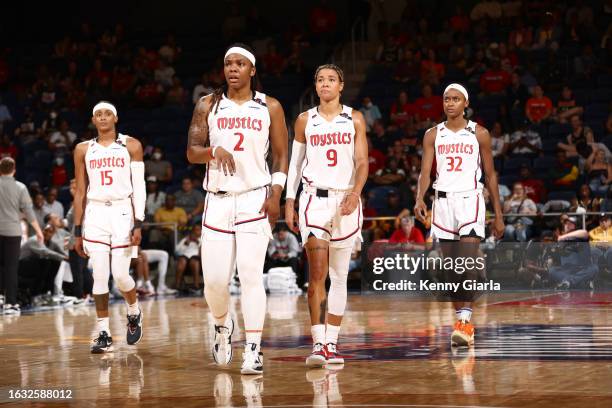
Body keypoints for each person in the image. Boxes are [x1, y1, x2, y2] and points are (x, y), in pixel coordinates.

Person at [187, 43, 288, 374]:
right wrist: (214, 150)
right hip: (217, 199)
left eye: (239, 64)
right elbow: (192, 151)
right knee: (214, 283)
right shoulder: (207, 105)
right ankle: (221, 324)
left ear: (252, 70)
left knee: (250, 276)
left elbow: (281, 156)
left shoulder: (269, 106)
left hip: (254, 197)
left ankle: (254, 349)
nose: (232, 68)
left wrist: (277, 193)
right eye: (228, 63)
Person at [285, 64, 368, 367]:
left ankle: (332, 343)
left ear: (341, 85)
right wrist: (289, 200)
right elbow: (295, 165)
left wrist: (355, 192)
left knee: (339, 276)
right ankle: (318, 343)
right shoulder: (305, 120)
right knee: (317, 273)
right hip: (314, 201)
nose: (324, 84)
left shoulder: (354, 118)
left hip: (346, 200)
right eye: (320, 79)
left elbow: (362, 162)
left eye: (331, 79)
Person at [415, 83, 504, 348]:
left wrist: (498, 214)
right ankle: (461, 321)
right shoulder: (432, 134)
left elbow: (490, 175)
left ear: (465, 103)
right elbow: (425, 171)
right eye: (446, 99)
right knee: (452, 270)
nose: (450, 103)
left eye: (455, 99)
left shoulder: (480, 133)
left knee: (465, 263)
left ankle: (465, 321)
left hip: (470, 199)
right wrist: (419, 197)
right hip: (442, 202)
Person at [73, 101, 146, 353]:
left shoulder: (131, 145)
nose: (103, 118)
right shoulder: (83, 149)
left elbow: (140, 187)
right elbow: (80, 190)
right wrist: (76, 230)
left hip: (122, 211)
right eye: (98, 115)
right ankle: (103, 332)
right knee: (100, 275)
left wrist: (139, 222)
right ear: (94, 120)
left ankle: (134, 311)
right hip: (95, 213)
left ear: (115, 118)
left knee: (121, 275)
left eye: (107, 114)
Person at [0, 157, 44, 314]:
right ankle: (10, 303)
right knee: (11, 268)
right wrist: (38, 230)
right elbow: (28, 211)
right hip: (12, 232)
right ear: (14, 169)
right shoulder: (20, 187)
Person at [174, 225, 202, 293]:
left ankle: (196, 286)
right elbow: (176, 251)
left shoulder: (203, 239)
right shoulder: (185, 239)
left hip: (197, 259)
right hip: (185, 257)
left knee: (194, 261)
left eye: (198, 230)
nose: (197, 232)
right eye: (195, 230)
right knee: (182, 261)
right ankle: (177, 286)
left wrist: (198, 242)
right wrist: (186, 244)